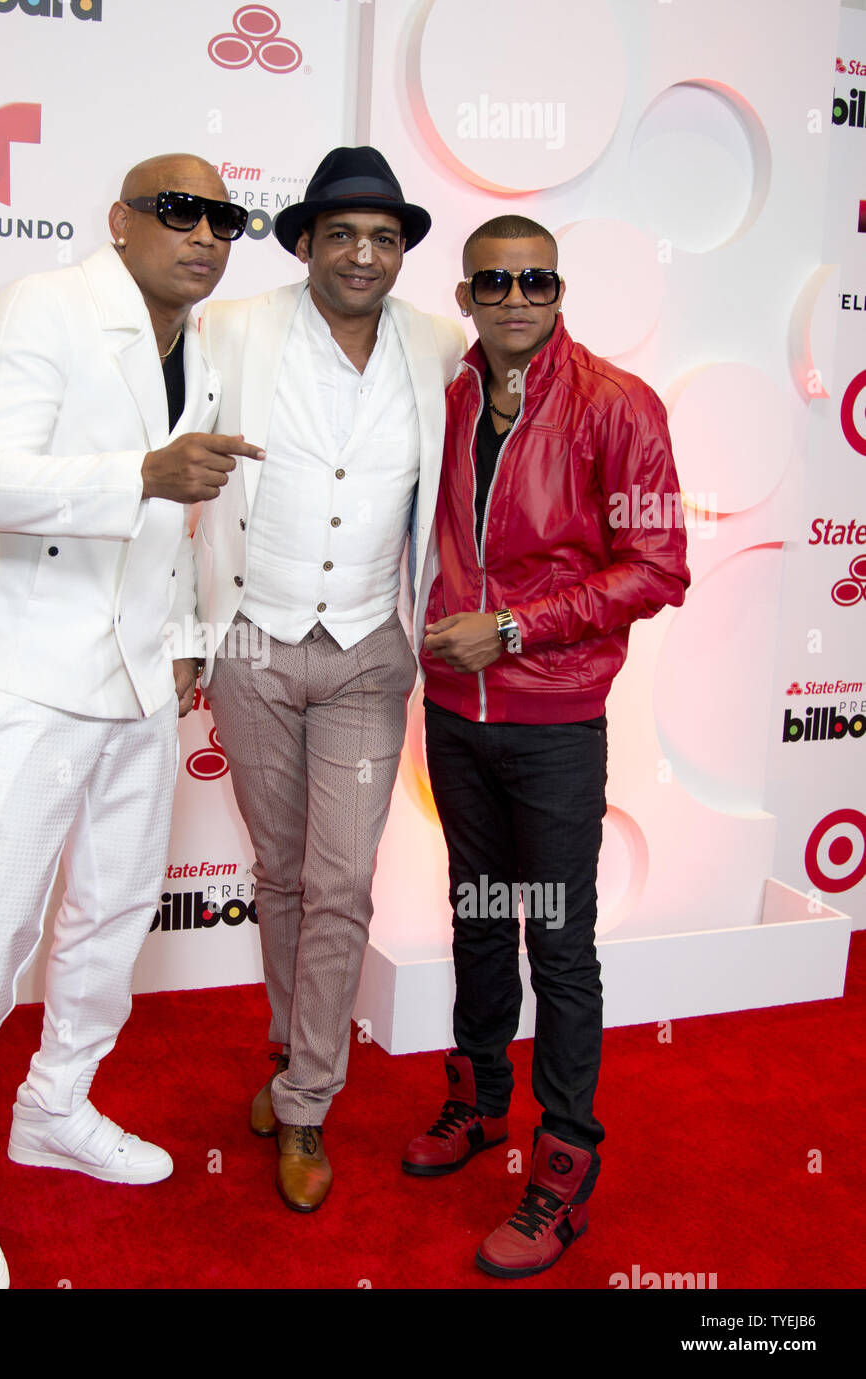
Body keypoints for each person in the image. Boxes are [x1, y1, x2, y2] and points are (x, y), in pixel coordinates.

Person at [0, 154, 262, 1288]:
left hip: (141, 670)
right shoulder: (42, 306)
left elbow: (188, 519)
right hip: (25, 668)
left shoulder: (202, 341)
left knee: (113, 911)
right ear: (121, 220)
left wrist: (188, 628)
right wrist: (138, 472)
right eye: (179, 211)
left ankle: (56, 1103)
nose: (204, 234)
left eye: (225, 218)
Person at [404, 214, 690, 1277]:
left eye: (535, 281)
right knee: (478, 915)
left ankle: (565, 1169)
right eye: (494, 282)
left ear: (560, 290)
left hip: (555, 721)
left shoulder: (618, 403)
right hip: (452, 712)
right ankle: (481, 1097)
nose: (516, 298)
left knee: (558, 943)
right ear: (466, 296)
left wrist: (516, 629)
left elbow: (658, 566)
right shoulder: (444, 396)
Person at [194, 146, 464, 1213]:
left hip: (366, 649)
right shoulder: (232, 329)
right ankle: (287, 1049)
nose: (363, 254)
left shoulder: (438, 344)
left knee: (343, 881)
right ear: (304, 241)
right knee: (282, 874)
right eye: (343, 234)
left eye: (384, 238)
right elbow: (175, 475)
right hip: (250, 641)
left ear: (402, 254)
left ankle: (306, 1100)